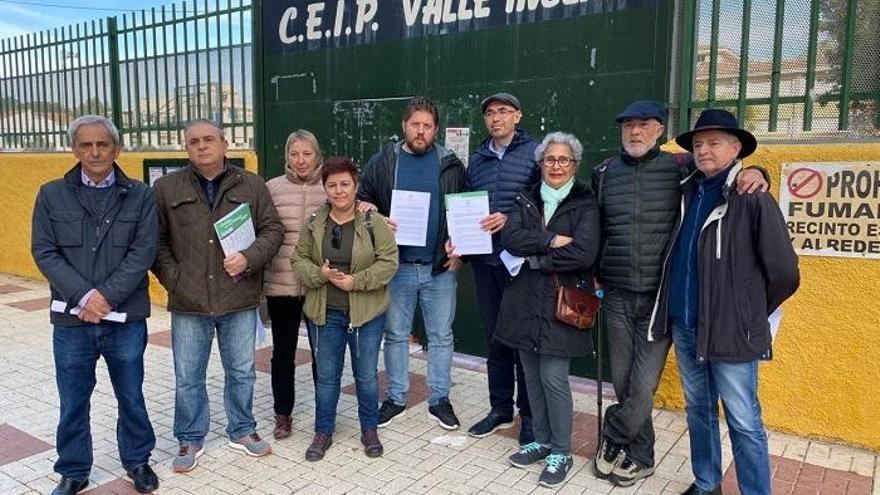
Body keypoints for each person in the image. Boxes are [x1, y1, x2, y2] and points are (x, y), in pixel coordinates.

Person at [591, 101, 769, 486]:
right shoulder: (604, 172)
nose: (635, 132)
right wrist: (595, 273)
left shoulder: (681, 169)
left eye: (644, 125)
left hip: (661, 298)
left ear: (660, 130)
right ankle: (641, 456)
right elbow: (595, 226)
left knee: (643, 385)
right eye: (628, 126)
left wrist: (759, 171)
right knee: (624, 381)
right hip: (618, 294)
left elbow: (726, 172)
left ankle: (614, 433)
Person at [655, 109, 799, 495]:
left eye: (714, 143)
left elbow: (785, 273)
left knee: (743, 420)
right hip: (685, 324)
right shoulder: (687, 189)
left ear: (736, 149)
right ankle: (706, 484)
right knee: (698, 412)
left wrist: (747, 312)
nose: (704, 150)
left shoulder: (752, 197)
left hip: (732, 332)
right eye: (698, 144)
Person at [31, 115, 159, 495]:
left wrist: (105, 298)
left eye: (103, 144)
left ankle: (138, 461)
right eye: (86, 145)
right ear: (74, 149)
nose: (95, 151)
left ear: (116, 148)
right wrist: (85, 297)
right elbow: (44, 251)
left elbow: (143, 252)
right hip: (72, 322)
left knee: (131, 396)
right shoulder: (51, 193)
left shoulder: (141, 195)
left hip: (125, 320)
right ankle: (73, 470)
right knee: (73, 400)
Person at [152, 119, 284, 472]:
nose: (202, 146)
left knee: (241, 371)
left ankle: (242, 429)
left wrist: (250, 258)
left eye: (209, 139)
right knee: (188, 376)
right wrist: (174, 279)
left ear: (225, 144)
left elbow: (272, 229)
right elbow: (156, 241)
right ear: (186, 147)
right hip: (189, 300)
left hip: (238, 296)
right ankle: (190, 437)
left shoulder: (252, 185)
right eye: (193, 141)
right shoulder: (166, 187)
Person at [494, 132, 600, 489]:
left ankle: (561, 451)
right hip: (524, 301)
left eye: (563, 160)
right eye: (550, 159)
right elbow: (511, 237)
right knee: (531, 374)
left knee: (554, 379)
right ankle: (540, 440)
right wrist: (551, 241)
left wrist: (536, 257)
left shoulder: (586, 202)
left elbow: (584, 253)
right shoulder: (525, 197)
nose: (556, 166)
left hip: (561, 302)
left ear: (575, 165)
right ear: (540, 164)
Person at [356, 96, 466, 430]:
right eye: (415, 124)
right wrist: (375, 215)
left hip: (439, 268)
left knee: (441, 336)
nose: (420, 131)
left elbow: (463, 210)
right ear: (404, 125)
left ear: (435, 129)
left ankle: (440, 399)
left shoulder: (450, 163)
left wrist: (461, 252)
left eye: (427, 126)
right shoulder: (384, 161)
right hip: (397, 267)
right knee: (396, 334)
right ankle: (397, 398)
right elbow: (362, 201)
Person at [292, 157, 399, 461]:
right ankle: (323, 431)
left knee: (365, 376)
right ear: (324, 188)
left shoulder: (373, 222)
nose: (339, 191)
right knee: (327, 377)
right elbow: (298, 260)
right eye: (332, 185)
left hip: (365, 314)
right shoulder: (314, 223)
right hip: (325, 314)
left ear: (355, 186)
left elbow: (389, 262)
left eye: (344, 184)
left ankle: (369, 429)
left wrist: (357, 282)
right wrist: (320, 275)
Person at [460, 92, 539, 444]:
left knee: (522, 341)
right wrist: (457, 238)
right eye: (490, 113)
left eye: (503, 112)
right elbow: (463, 203)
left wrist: (511, 219)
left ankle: (530, 416)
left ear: (518, 116)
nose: (496, 118)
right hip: (484, 261)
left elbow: (546, 200)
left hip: (520, 262)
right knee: (495, 339)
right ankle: (499, 409)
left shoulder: (536, 153)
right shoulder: (476, 158)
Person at [263, 129, 327, 440]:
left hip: (319, 285)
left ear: (317, 155)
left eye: (307, 153)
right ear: (287, 156)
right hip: (282, 283)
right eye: (294, 153)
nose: (300, 160)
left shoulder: (330, 186)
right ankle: (283, 413)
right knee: (283, 352)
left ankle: (323, 414)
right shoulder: (272, 188)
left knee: (322, 352)